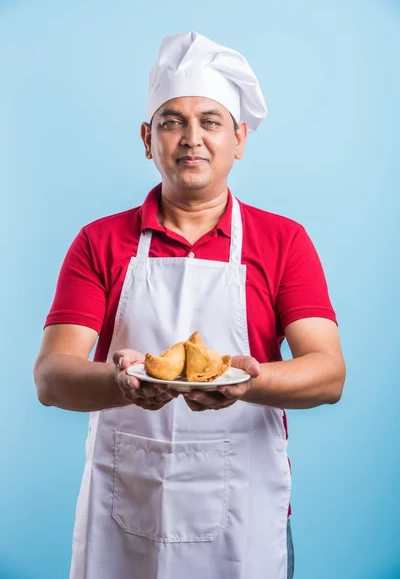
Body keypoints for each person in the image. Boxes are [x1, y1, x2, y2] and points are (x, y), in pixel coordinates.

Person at [34, 31, 346, 579]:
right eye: (172, 121)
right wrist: (120, 382)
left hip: (247, 517)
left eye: (211, 121)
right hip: (125, 505)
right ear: (146, 138)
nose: (192, 138)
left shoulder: (284, 241)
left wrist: (251, 382)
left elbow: (328, 374)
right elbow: (51, 378)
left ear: (240, 138)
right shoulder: (100, 242)